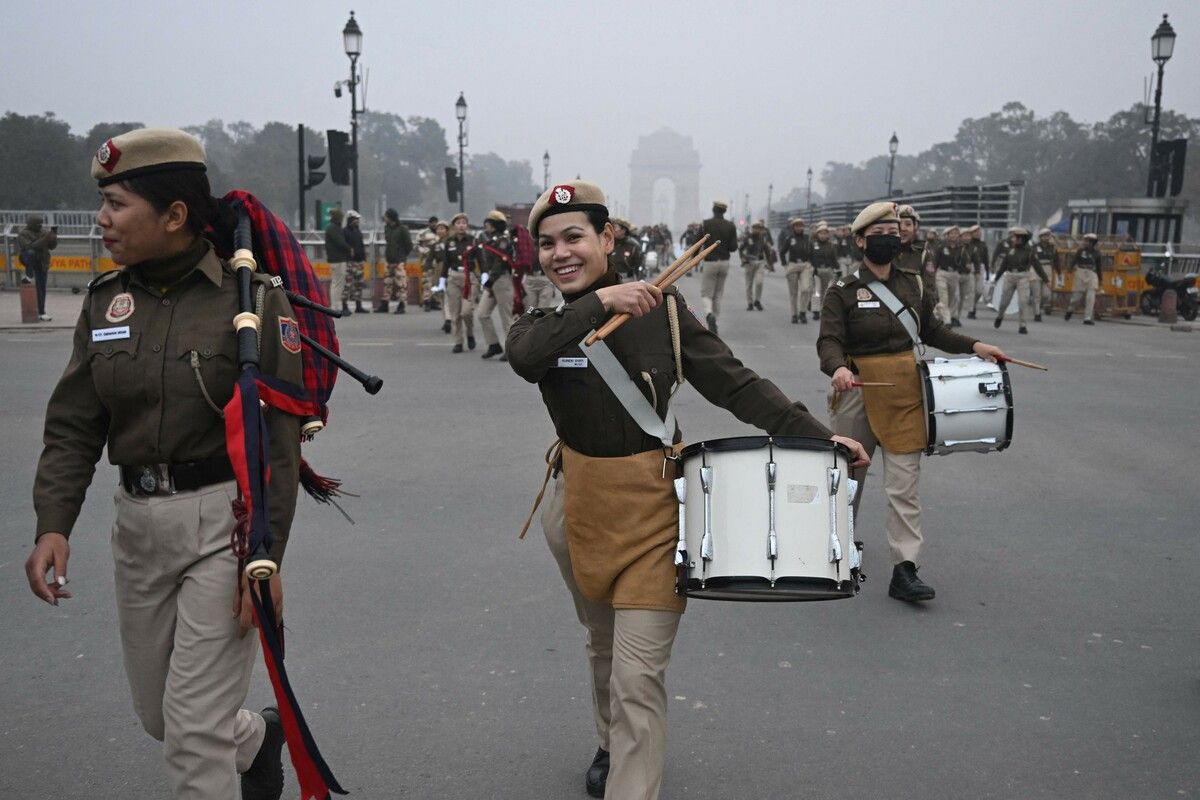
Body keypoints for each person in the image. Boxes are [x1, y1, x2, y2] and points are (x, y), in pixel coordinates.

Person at [507, 180, 868, 800]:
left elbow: (737, 385)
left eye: (574, 237)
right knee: (602, 645)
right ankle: (609, 741)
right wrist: (598, 304)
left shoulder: (667, 311)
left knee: (638, 671)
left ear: (607, 238)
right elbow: (524, 355)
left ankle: (631, 778)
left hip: (656, 506)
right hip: (577, 508)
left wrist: (817, 439)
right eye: (547, 243)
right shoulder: (549, 323)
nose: (559, 253)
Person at [24, 127, 301, 799]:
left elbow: (281, 447)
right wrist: (52, 522)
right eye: (103, 203)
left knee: (192, 741)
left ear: (174, 215)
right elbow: (73, 425)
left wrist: (264, 560)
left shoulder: (252, 304)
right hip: (137, 526)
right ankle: (256, 740)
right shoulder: (104, 303)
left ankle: (223, 744)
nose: (102, 220)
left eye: (117, 204)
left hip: (222, 527)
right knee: (162, 719)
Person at [817, 201, 1006, 603]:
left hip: (905, 392)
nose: (888, 239)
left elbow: (932, 329)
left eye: (892, 233)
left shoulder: (912, 283)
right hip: (858, 391)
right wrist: (837, 368)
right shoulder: (842, 290)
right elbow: (829, 340)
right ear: (859, 241)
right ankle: (835, 553)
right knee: (846, 480)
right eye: (878, 235)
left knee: (904, 485)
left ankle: (905, 568)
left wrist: (976, 346)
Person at [431, 212, 480, 352]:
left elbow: (481, 260)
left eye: (464, 223)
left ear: (467, 225)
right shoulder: (449, 242)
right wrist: (442, 280)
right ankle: (458, 341)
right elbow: (446, 263)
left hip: (469, 278)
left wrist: (484, 275)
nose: (461, 226)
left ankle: (470, 333)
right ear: (454, 226)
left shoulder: (473, 241)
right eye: (458, 223)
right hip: (453, 277)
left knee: (466, 312)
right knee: (455, 312)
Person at [476, 209, 516, 360]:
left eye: (488, 223)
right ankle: (493, 344)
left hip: (502, 280)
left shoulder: (503, 240)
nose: (486, 226)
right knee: (482, 314)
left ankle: (512, 349)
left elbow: (500, 263)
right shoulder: (492, 240)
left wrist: (490, 280)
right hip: (493, 280)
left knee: (506, 317)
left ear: (494, 225)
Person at [992, 227, 1048, 334]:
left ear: (1022, 239)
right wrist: (996, 278)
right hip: (1010, 276)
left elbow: (1037, 266)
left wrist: (1046, 279)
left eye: (1017, 237)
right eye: (1014, 237)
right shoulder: (1011, 250)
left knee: (1023, 301)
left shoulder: (1029, 251)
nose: (1014, 239)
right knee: (1004, 301)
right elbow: (1004, 265)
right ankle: (1000, 316)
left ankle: (1022, 325)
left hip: (1023, 276)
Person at [698, 200, 738, 333]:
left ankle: (709, 314)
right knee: (718, 293)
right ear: (724, 211)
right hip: (724, 262)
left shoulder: (705, 224)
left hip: (710, 262)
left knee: (706, 293)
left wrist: (694, 260)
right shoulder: (730, 225)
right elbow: (733, 248)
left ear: (713, 209)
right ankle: (716, 320)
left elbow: (698, 243)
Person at [17, 213, 58, 321]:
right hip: (28, 259)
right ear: (31, 224)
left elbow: (52, 247)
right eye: (37, 224)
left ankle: (42, 312)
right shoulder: (23, 234)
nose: (40, 226)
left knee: (41, 288)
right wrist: (45, 239)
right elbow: (30, 247)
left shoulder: (43, 232)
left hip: (42, 262)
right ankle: (29, 275)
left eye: (41, 223)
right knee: (31, 253)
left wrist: (53, 237)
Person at [932, 226, 967, 327]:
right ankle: (947, 321)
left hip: (954, 275)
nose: (954, 235)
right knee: (944, 298)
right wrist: (932, 275)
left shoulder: (961, 248)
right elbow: (935, 261)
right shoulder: (941, 246)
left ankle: (937, 315)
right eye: (951, 233)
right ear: (947, 235)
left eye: (956, 233)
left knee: (953, 298)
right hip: (942, 274)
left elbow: (964, 263)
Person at [779, 217, 812, 324]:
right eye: (796, 226)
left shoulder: (807, 238)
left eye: (800, 226)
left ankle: (802, 311)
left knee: (805, 289)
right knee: (793, 293)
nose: (799, 228)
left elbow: (812, 251)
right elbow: (782, 252)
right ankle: (794, 314)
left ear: (803, 227)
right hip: (793, 265)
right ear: (793, 227)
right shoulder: (789, 238)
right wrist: (785, 264)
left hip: (804, 265)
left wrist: (811, 262)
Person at [1064, 232, 1102, 325]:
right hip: (1081, 273)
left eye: (1087, 241)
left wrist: (1100, 279)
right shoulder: (1080, 251)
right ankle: (1070, 310)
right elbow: (1073, 261)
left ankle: (1087, 317)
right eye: (1085, 240)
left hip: (1092, 274)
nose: (1085, 242)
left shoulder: (1097, 253)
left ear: (1092, 242)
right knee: (1076, 297)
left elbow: (1099, 267)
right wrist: (1069, 270)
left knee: (1090, 297)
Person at [379, 208, 412, 314]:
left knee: (401, 283)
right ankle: (385, 303)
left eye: (386, 216)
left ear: (391, 217)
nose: (385, 218)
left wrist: (402, 256)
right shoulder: (387, 228)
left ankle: (402, 304)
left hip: (399, 260)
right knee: (387, 282)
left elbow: (408, 245)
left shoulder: (402, 229)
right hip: (389, 259)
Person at [738, 220, 773, 311]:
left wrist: (770, 264)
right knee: (749, 284)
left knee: (759, 282)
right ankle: (750, 302)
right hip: (749, 263)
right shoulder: (748, 237)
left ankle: (757, 300)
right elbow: (741, 249)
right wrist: (743, 258)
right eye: (755, 228)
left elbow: (767, 251)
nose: (757, 230)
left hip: (760, 262)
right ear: (752, 228)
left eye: (758, 228)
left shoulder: (762, 238)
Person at [809, 221, 840, 321]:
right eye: (821, 233)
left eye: (825, 233)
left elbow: (834, 258)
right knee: (816, 291)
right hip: (816, 270)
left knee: (824, 291)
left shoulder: (831, 245)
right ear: (817, 234)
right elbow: (809, 257)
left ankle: (821, 309)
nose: (823, 235)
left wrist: (837, 268)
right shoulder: (813, 244)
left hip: (827, 270)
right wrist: (811, 267)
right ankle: (815, 311)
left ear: (827, 235)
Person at [323, 207, 350, 313]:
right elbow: (340, 242)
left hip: (337, 258)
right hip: (337, 259)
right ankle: (335, 305)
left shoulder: (333, 227)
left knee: (339, 283)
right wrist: (348, 248)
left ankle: (336, 304)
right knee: (336, 283)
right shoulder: (333, 228)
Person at [343, 210, 367, 314]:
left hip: (359, 262)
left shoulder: (358, 232)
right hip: (350, 262)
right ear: (350, 220)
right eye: (355, 219)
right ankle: (344, 306)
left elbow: (361, 245)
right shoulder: (344, 232)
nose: (357, 221)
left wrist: (363, 258)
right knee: (347, 285)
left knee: (359, 284)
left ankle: (358, 305)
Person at [1032, 228, 1058, 320]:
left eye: (1048, 235)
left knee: (1046, 294)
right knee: (1037, 294)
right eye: (1044, 236)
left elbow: (1056, 260)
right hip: (1036, 269)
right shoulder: (1035, 246)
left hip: (1047, 269)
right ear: (1040, 237)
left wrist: (1058, 272)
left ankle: (1039, 305)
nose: (1046, 238)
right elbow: (1031, 259)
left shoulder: (1052, 247)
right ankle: (1037, 313)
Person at [964, 225, 989, 319]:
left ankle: (973, 304)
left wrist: (987, 272)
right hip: (970, 266)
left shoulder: (983, 244)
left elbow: (986, 259)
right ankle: (971, 310)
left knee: (979, 291)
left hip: (980, 267)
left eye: (979, 231)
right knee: (971, 290)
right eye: (975, 232)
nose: (978, 233)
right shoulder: (968, 244)